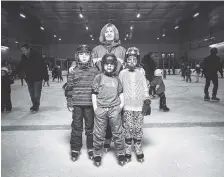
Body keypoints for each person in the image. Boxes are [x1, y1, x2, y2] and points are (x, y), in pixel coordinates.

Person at [65, 45, 99, 162]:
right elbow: (69, 88)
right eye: (81, 54)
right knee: (76, 127)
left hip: (90, 104)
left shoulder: (95, 71)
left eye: (86, 54)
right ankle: (75, 148)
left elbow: (98, 88)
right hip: (77, 104)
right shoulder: (73, 71)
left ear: (90, 56)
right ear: (77, 56)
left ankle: (91, 147)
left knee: (90, 127)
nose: (84, 57)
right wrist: (69, 102)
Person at [92, 53, 126, 166]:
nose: (109, 66)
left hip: (114, 109)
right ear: (103, 65)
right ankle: (97, 152)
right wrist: (95, 107)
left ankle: (121, 152)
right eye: (107, 64)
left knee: (117, 131)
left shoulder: (116, 79)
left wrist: (120, 106)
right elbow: (94, 94)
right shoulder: (99, 77)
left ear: (115, 66)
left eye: (112, 64)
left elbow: (121, 93)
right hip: (101, 109)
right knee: (99, 132)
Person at [119, 47, 151, 162]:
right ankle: (127, 149)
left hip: (139, 106)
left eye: (134, 58)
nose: (132, 61)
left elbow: (144, 87)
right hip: (127, 106)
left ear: (137, 60)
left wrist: (146, 100)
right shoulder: (122, 73)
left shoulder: (141, 72)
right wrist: (119, 104)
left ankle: (138, 148)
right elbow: (119, 88)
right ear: (126, 59)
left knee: (138, 128)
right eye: (129, 58)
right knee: (128, 128)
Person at [17, 44, 48, 113]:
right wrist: (13, 73)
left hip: (38, 78)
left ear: (28, 49)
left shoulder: (37, 55)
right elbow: (20, 66)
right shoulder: (23, 57)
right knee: (31, 93)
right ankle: (34, 105)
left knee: (36, 94)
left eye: (24, 50)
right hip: (29, 78)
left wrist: (46, 77)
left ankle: (36, 106)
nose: (23, 52)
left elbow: (43, 66)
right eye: (22, 50)